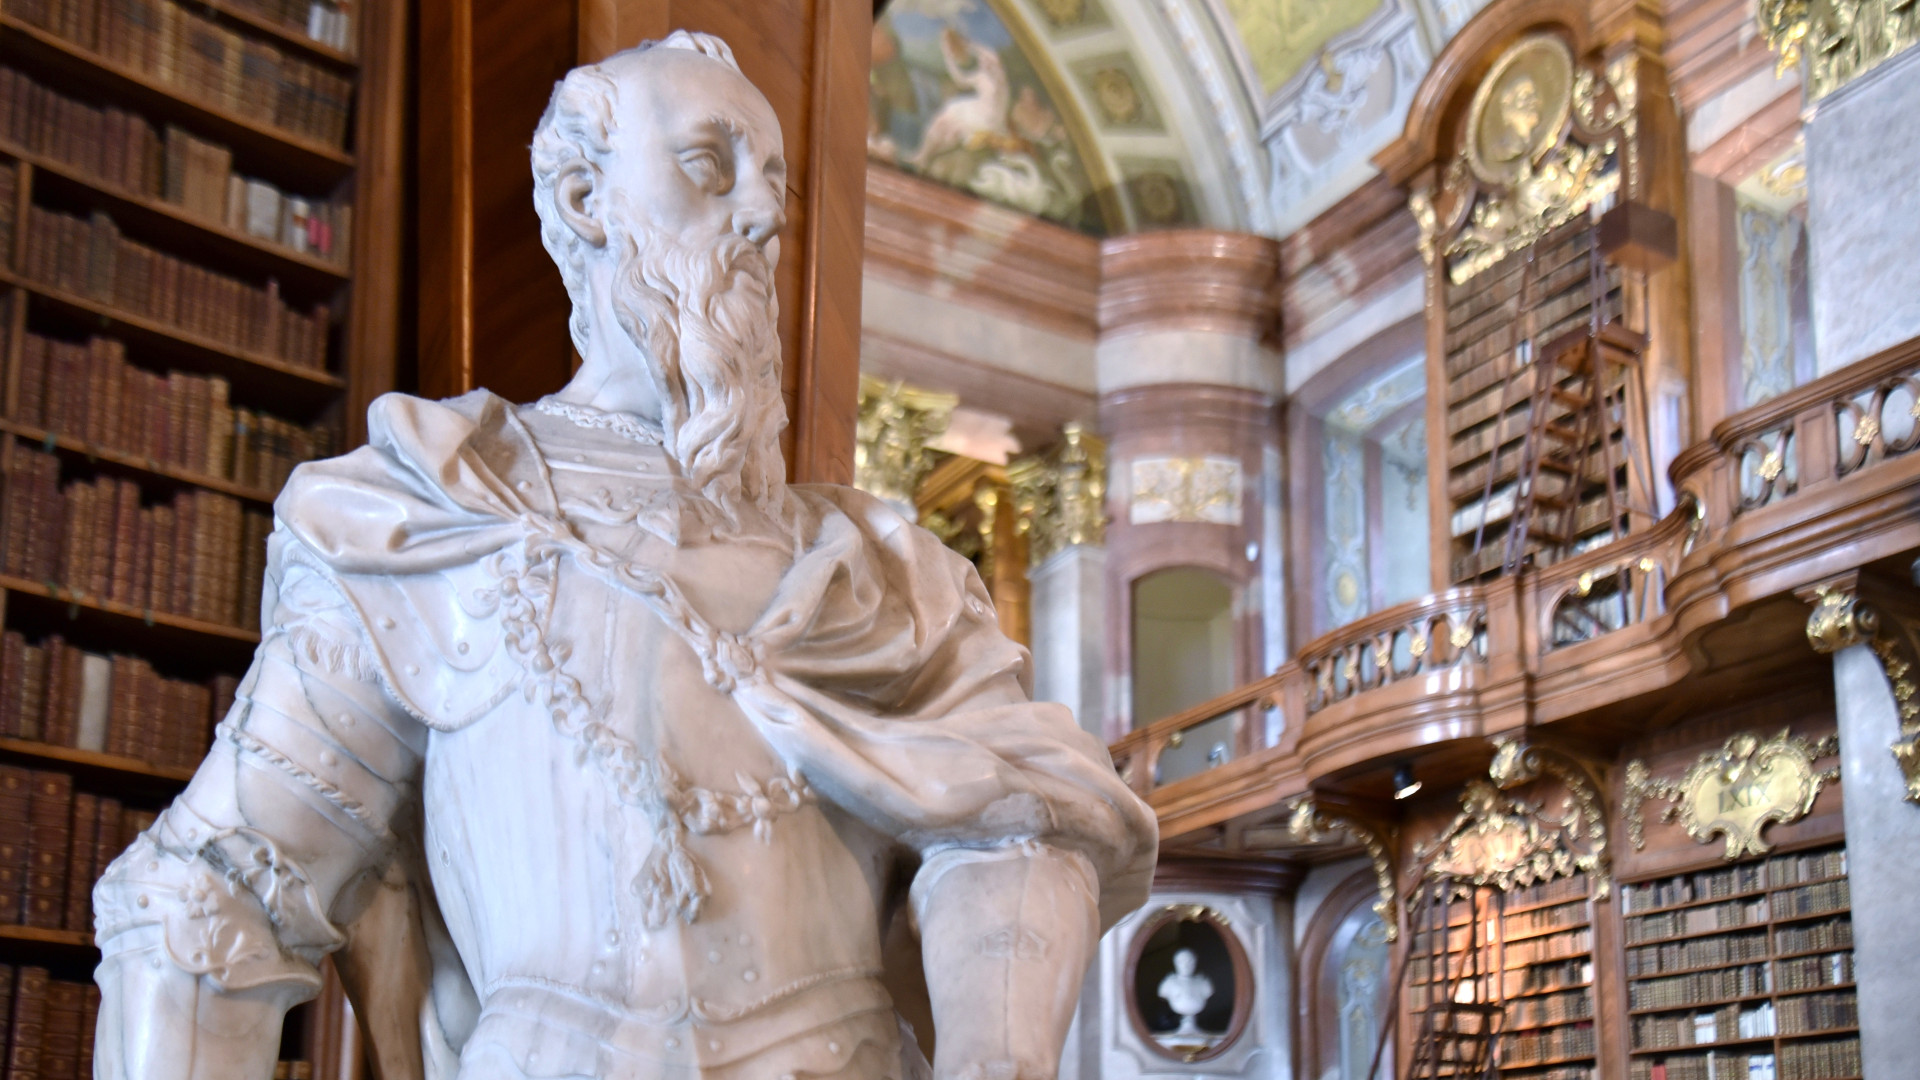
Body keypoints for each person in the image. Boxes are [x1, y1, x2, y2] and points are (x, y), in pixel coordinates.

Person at [89, 31, 1156, 1080]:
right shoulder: (432, 516)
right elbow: (217, 893)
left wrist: (994, 1053)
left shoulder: (886, 578)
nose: (763, 214)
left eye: (775, 184)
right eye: (710, 164)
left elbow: (1027, 820)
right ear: (586, 200)